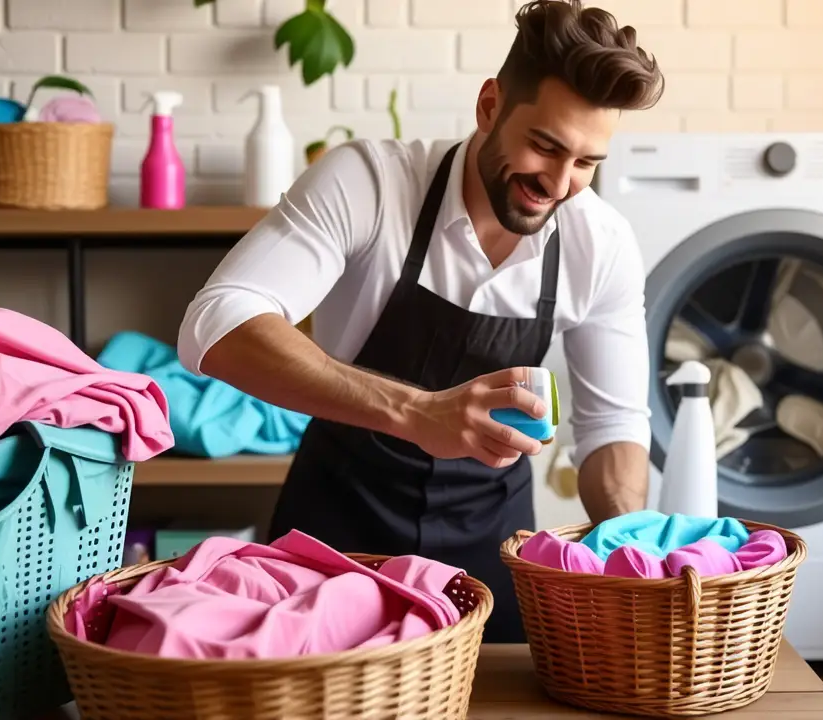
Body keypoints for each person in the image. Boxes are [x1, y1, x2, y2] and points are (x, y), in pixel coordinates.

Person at [176, 0, 665, 644]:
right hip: (335, 545)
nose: (558, 182)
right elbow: (216, 323)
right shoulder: (371, 184)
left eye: (586, 162)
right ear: (489, 106)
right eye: (545, 146)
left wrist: (629, 554)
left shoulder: (602, 243)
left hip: (492, 561)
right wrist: (417, 411)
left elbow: (613, 425)